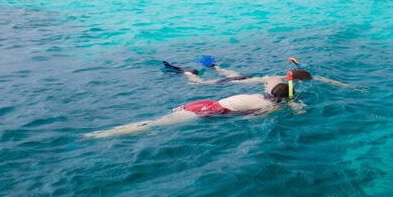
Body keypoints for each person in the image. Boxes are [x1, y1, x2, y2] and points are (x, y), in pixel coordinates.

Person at [85, 82, 294, 139]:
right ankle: (104, 134)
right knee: (155, 125)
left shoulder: (258, 96)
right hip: (209, 110)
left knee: (159, 121)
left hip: (203, 102)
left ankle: (104, 133)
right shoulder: (270, 105)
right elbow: (251, 121)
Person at [163, 56, 357, 90]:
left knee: (230, 73)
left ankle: (214, 67)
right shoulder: (283, 82)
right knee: (199, 84)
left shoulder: (284, 78)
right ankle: (188, 72)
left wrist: (349, 86)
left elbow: (326, 79)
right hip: (239, 82)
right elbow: (325, 79)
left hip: (245, 78)